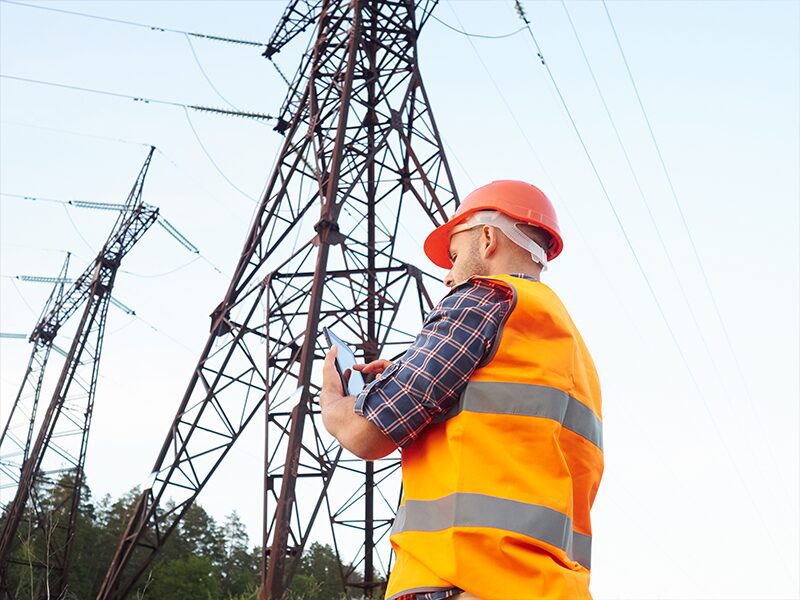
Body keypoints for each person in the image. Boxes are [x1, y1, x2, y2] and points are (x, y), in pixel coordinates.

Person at [320, 180, 603, 600]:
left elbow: (366, 432)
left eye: (454, 256)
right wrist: (408, 377)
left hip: (462, 581)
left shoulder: (485, 297)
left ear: (487, 238)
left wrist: (333, 400)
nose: (449, 275)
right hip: (547, 588)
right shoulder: (567, 343)